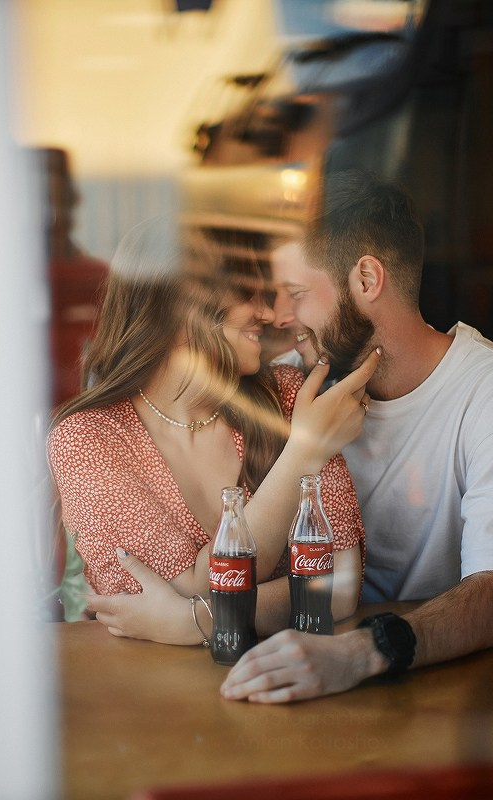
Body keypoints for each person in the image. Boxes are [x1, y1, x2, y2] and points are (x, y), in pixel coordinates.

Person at [219, 170, 493, 702]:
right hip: (294, 665)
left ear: (367, 279)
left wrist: (362, 652)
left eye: (296, 293)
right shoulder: (286, 385)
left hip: (445, 680)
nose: (279, 316)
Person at [48, 215, 380, 645]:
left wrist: (194, 620)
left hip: (288, 676)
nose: (267, 313)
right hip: (153, 683)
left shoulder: (288, 396)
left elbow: (341, 586)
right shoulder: (88, 440)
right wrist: (303, 452)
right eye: (247, 293)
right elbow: (171, 593)